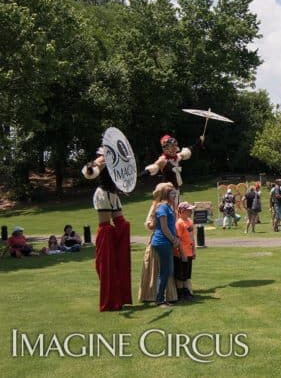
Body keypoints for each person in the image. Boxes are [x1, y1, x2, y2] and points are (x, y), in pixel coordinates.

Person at [82, 146, 132, 312]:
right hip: (103, 195)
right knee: (106, 230)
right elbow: (91, 171)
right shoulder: (102, 159)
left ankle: (120, 291)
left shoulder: (114, 160)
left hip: (113, 195)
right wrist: (93, 165)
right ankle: (110, 295)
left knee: (122, 226)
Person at [141, 134, 200, 205]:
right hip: (168, 192)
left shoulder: (178, 157)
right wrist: (138, 177)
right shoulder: (163, 160)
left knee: (179, 210)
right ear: (165, 148)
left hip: (176, 190)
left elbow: (189, 150)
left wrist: (199, 141)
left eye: (174, 147)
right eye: (171, 147)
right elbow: (152, 168)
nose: (173, 149)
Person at [150, 182, 180, 307]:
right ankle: (159, 299)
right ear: (166, 195)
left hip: (167, 242)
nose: (175, 194)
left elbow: (171, 226)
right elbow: (164, 227)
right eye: (172, 193)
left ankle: (161, 297)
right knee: (165, 271)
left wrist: (175, 238)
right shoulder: (162, 207)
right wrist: (174, 240)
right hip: (162, 242)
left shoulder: (169, 207)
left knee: (168, 270)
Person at [175, 201, 196, 300]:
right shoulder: (179, 223)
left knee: (187, 274)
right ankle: (180, 293)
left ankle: (186, 292)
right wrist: (182, 253)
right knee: (180, 275)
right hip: (182, 253)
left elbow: (192, 237)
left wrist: (194, 251)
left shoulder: (190, 221)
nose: (190, 212)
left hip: (189, 252)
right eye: (188, 210)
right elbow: (178, 239)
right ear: (182, 211)